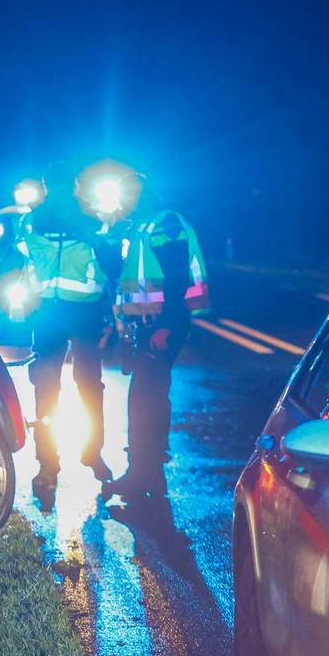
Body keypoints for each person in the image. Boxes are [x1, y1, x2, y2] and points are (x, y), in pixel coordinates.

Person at [103, 203, 210, 506]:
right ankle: (145, 474)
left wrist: (166, 326)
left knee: (147, 399)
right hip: (150, 325)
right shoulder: (141, 227)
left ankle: (144, 476)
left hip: (161, 325)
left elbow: (176, 279)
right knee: (145, 398)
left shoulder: (164, 224)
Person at [19, 164, 117, 492]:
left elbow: (112, 262)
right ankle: (52, 462)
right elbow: (23, 254)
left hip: (75, 311)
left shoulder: (89, 218)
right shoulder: (35, 219)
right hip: (56, 312)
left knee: (78, 387)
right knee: (55, 387)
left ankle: (83, 456)